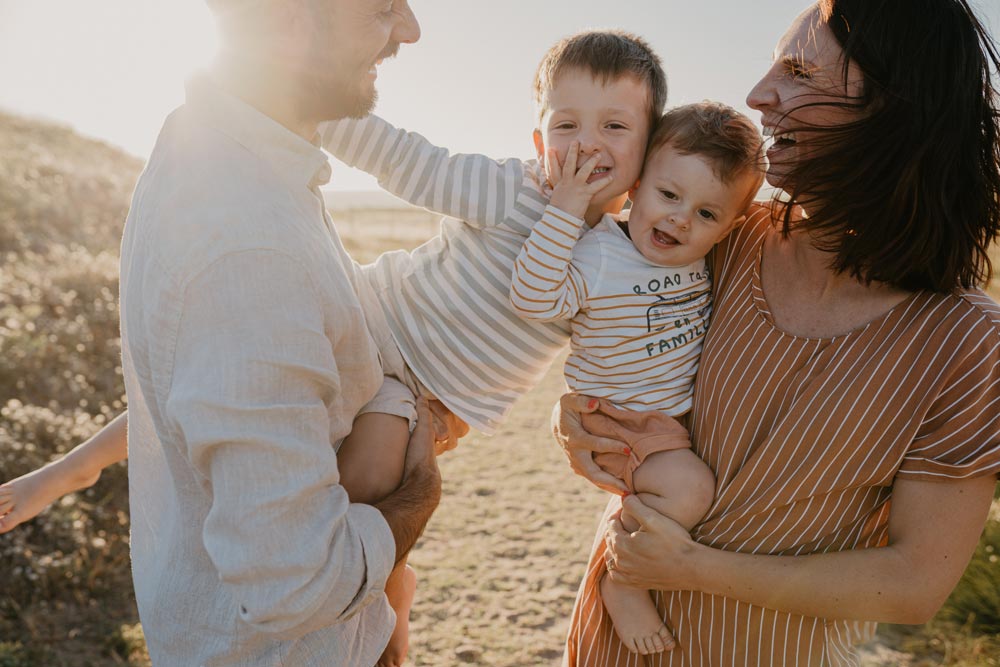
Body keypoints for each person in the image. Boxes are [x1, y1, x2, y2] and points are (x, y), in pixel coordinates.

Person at [2, 26, 664, 663]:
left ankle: (372, 596)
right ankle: (70, 470)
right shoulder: (511, 187)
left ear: (645, 152)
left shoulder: (617, 263)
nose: (586, 145)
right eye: (566, 124)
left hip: (421, 389)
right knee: (211, 383)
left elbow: (592, 339)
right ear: (538, 135)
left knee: (369, 481)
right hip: (370, 313)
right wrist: (292, 95)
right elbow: (403, 157)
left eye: (614, 127)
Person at [556, 1, 1000, 665]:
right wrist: (578, 419)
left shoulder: (966, 342)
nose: (759, 94)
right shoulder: (720, 238)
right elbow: (614, 343)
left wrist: (694, 567)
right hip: (609, 642)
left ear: (892, 107)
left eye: (797, 70)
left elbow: (913, 582)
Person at [119, 1, 445, 665]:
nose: (408, 30)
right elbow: (296, 582)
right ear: (289, 19)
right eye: (382, 8)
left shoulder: (222, 153)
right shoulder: (245, 242)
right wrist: (420, 491)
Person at [510, 101, 764, 655]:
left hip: (662, 423)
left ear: (730, 226)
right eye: (669, 196)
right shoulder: (602, 253)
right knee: (691, 488)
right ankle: (621, 579)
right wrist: (566, 206)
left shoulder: (701, 259)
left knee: (687, 484)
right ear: (639, 183)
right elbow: (532, 297)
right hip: (619, 421)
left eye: (706, 214)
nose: (679, 219)